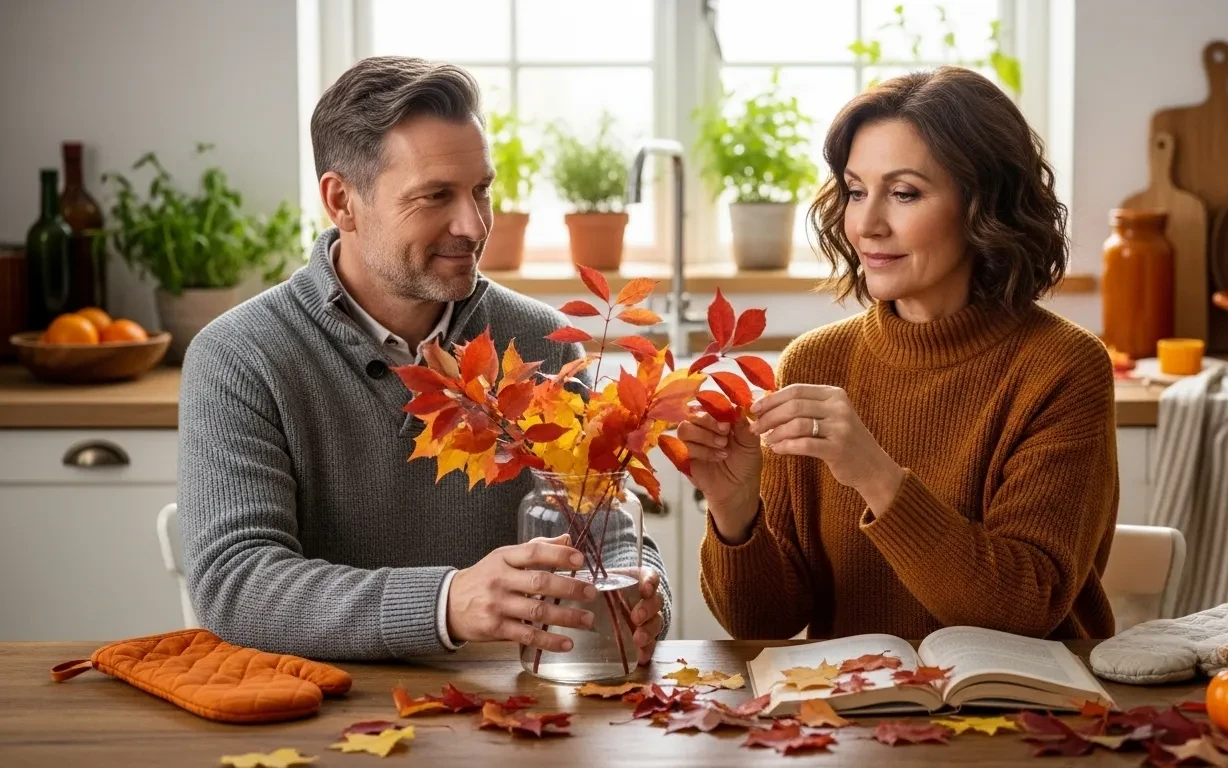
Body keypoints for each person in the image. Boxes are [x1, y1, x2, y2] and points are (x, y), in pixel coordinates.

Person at [178, 56, 670, 661]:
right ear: (342, 201)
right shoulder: (239, 357)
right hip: (323, 707)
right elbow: (235, 583)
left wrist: (645, 597)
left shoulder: (545, 344)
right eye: (436, 195)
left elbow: (610, 535)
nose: (474, 225)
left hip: (514, 701)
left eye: (481, 190)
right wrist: (446, 603)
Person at [681, 68, 1118, 642]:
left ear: (985, 205)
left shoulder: (1064, 367)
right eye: (856, 191)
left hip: (1023, 695)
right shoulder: (815, 363)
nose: (866, 225)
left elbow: (1025, 608)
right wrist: (735, 512)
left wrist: (873, 473)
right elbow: (765, 623)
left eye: (904, 193)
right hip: (854, 696)